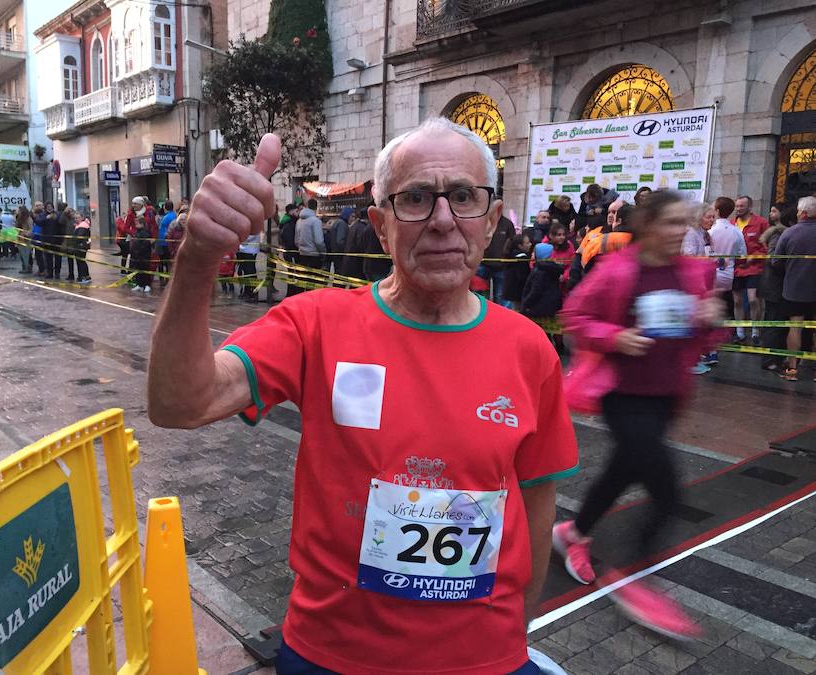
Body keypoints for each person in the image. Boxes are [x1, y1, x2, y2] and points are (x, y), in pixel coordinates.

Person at [148, 120, 579, 674]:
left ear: (491, 219)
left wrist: (512, 636)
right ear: (380, 226)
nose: (444, 220)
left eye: (465, 197)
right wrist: (199, 260)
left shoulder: (529, 350)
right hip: (332, 655)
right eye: (417, 198)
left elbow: (537, 503)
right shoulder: (315, 323)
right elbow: (178, 403)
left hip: (487, 657)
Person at [555, 190, 723, 639]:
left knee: (620, 470)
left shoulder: (692, 273)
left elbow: (703, 339)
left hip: (667, 395)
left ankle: (574, 531)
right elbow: (574, 316)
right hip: (622, 394)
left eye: (684, 223)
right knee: (667, 492)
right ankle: (632, 573)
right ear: (647, 225)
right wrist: (615, 337)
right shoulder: (618, 270)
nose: (679, 232)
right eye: (670, 223)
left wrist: (710, 320)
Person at [773, 195, 816, 382]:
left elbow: (776, 262)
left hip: (794, 289)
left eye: (799, 211)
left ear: (804, 214)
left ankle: (792, 368)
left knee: (795, 327)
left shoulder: (789, 233)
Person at [682, 203, 718, 373]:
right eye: (709, 216)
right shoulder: (691, 233)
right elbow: (689, 257)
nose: (712, 220)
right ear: (699, 217)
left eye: (713, 217)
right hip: (692, 283)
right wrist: (707, 262)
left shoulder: (702, 234)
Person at [730, 196, 770, 345]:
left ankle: (755, 332)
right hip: (736, 269)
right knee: (738, 301)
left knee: (753, 300)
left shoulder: (761, 223)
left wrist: (754, 257)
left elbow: (767, 248)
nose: (738, 208)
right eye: (737, 206)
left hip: (754, 268)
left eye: (741, 206)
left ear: (750, 207)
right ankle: (739, 333)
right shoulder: (731, 224)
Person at [758, 206, 792, 372]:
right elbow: (773, 259)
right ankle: (769, 359)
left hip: (778, 285)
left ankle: (776, 357)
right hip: (774, 285)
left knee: (779, 322)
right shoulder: (779, 234)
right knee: (773, 321)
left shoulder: (782, 233)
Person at [709, 197, 746, 327]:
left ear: (717, 211)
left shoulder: (710, 231)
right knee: (726, 306)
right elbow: (742, 255)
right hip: (729, 275)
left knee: (712, 306)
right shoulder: (736, 231)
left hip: (711, 274)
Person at [478, 212, 516, 307]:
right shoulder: (482, 222)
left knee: (500, 295)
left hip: (501, 265)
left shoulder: (507, 224)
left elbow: (513, 241)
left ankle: (503, 317)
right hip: (482, 264)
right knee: (480, 294)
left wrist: (507, 256)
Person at [294, 198, 325, 285]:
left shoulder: (299, 221)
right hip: (314, 255)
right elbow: (319, 241)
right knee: (315, 283)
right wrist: (323, 252)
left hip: (302, 254)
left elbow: (296, 241)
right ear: (316, 208)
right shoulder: (316, 221)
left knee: (304, 282)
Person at [502, 232, 533, 309]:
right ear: (520, 246)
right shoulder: (521, 259)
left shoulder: (511, 256)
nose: (530, 244)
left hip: (511, 291)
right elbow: (522, 277)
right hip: (517, 293)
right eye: (527, 243)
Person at [340, 207, 370, 281]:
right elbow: (361, 246)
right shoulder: (363, 228)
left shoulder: (354, 226)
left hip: (349, 261)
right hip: (357, 264)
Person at [130, 219, 153, 293]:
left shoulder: (145, 233)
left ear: (142, 224)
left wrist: (138, 251)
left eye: (138, 223)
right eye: (136, 223)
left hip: (144, 256)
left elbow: (145, 244)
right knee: (138, 270)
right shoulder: (137, 232)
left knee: (145, 270)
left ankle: (147, 285)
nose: (136, 224)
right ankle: (139, 284)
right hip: (137, 256)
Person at [157, 200, 176, 288]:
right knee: (162, 262)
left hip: (165, 243)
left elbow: (172, 227)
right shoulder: (168, 215)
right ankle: (163, 279)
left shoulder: (171, 216)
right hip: (162, 242)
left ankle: (166, 280)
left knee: (165, 262)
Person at [72, 211, 92, 284]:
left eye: (77, 218)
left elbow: (79, 237)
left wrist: (74, 239)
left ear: (82, 218)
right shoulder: (80, 225)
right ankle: (85, 276)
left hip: (81, 246)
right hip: (81, 246)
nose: (76, 219)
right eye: (75, 218)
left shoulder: (82, 226)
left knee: (81, 262)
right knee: (81, 261)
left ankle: (83, 277)